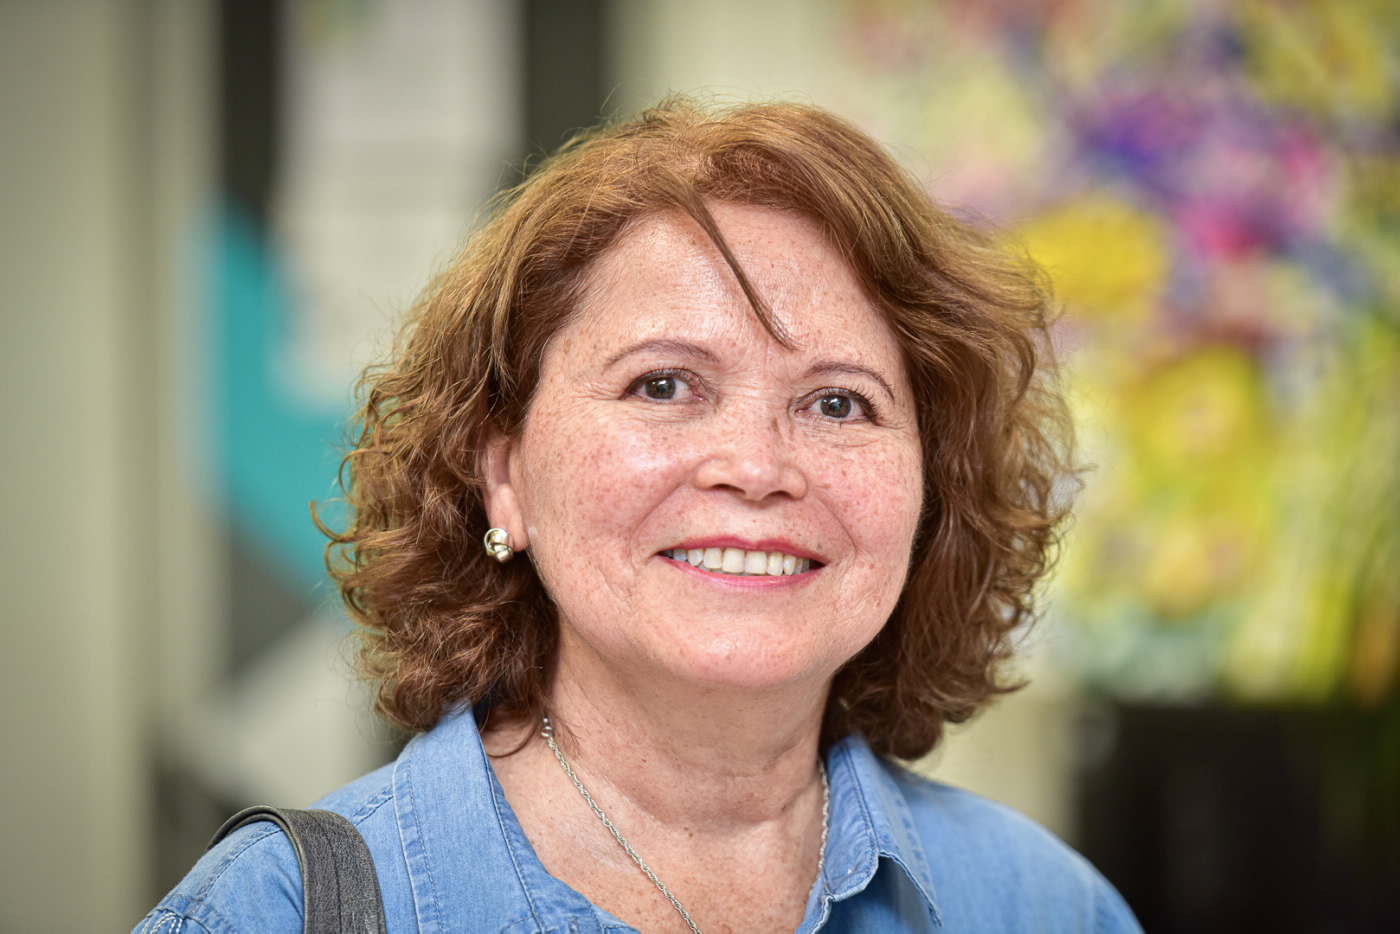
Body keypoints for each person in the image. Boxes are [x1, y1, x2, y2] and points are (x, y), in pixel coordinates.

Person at [136, 97, 1141, 933]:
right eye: (663, 385)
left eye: (839, 403)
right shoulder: (269, 912)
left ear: (928, 495)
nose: (756, 467)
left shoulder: (1044, 908)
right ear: (504, 475)